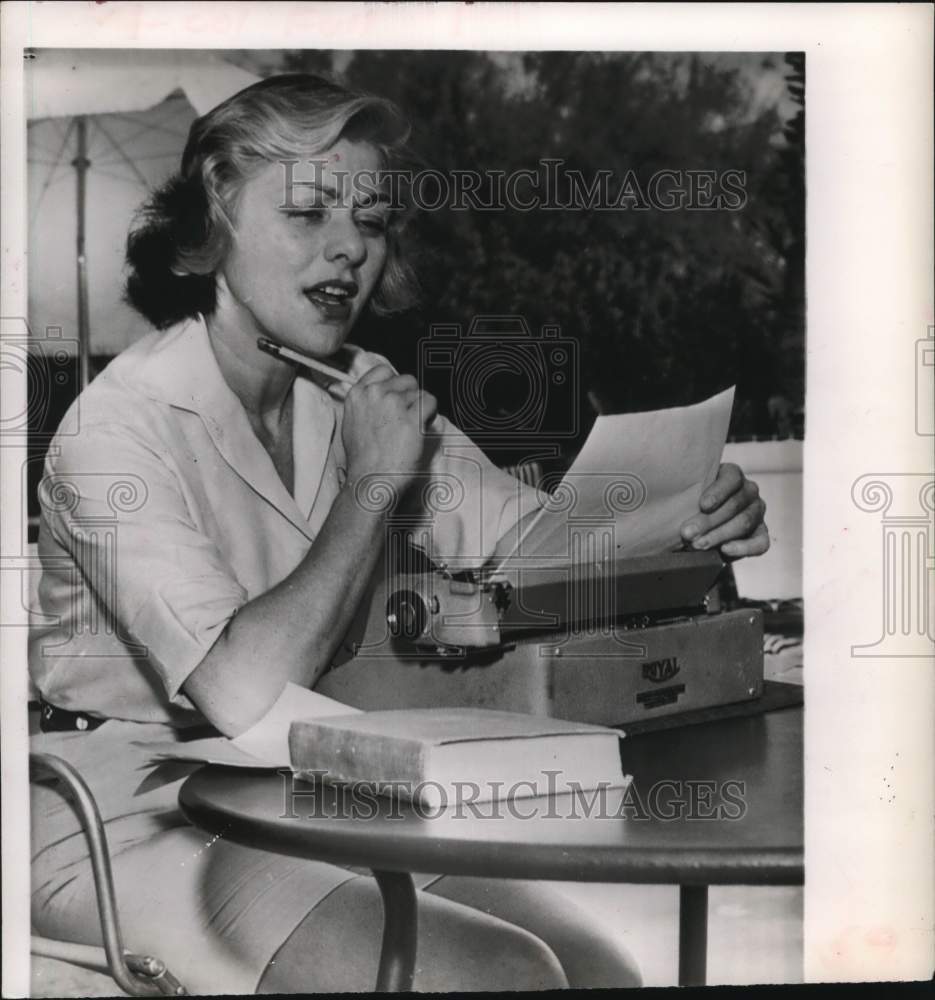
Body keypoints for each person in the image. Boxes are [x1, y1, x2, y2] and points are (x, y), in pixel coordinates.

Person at [29, 74, 769, 994]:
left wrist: (684, 517)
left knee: (601, 968)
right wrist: (375, 479)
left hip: (304, 785)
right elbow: (242, 693)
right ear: (214, 223)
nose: (348, 248)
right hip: (121, 811)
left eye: (372, 221)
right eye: (306, 213)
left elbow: (539, 550)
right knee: (498, 973)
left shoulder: (357, 384)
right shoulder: (115, 430)